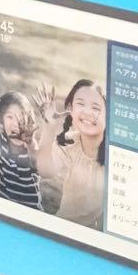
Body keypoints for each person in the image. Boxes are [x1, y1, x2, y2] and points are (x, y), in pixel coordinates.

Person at [29, 80, 106, 229]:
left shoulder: (116, 155)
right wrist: (49, 127)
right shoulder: (69, 143)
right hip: (65, 227)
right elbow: (46, 171)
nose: (87, 112)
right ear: (70, 109)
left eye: (96, 108)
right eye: (80, 104)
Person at [0, 92, 42, 210]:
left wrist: (30, 142)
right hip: (4, 203)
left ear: (29, 120)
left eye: (21, 117)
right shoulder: (1, 140)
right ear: (1, 119)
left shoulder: (30, 147)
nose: (15, 123)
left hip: (29, 209)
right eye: (9, 117)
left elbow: (37, 163)